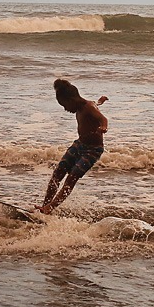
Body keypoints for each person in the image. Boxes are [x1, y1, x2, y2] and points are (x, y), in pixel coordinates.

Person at [38, 78, 108, 214]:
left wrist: (103, 127)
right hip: (79, 144)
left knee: (72, 177)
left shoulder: (88, 107)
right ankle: (44, 206)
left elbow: (103, 118)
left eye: (65, 105)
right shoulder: (87, 105)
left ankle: (50, 208)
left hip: (92, 150)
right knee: (57, 174)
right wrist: (100, 101)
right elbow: (96, 104)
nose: (65, 109)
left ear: (72, 100)